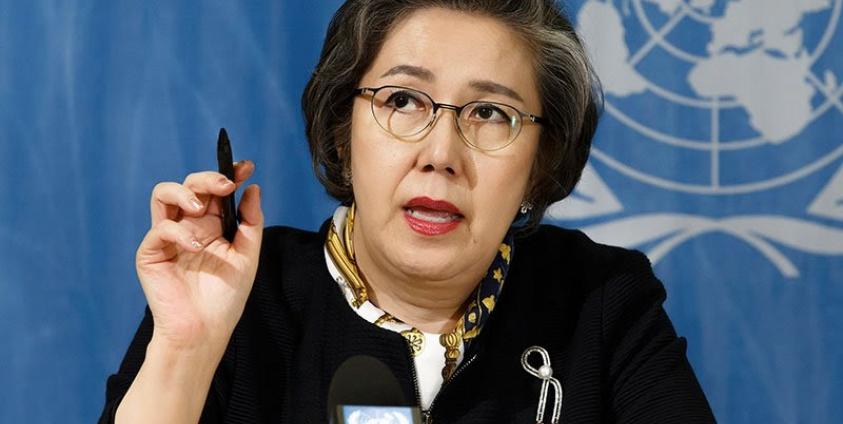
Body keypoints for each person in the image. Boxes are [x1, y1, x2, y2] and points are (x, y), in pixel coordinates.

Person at [100, 0, 715, 423]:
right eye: (401, 100)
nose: (441, 154)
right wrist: (186, 349)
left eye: (490, 113)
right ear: (343, 129)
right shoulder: (239, 290)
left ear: (540, 162)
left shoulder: (600, 301)